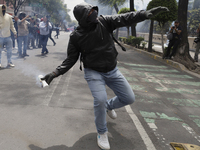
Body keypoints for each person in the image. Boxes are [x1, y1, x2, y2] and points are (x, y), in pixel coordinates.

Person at [41, 2, 168, 150]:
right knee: (100, 100)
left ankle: (109, 106)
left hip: (112, 70)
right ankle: (102, 132)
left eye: (93, 11)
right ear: (82, 19)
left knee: (129, 98)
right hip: (93, 72)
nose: (94, 14)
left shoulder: (104, 21)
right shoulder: (76, 36)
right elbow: (71, 59)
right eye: (89, 13)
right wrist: (55, 73)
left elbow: (125, 17)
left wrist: (143, 14)